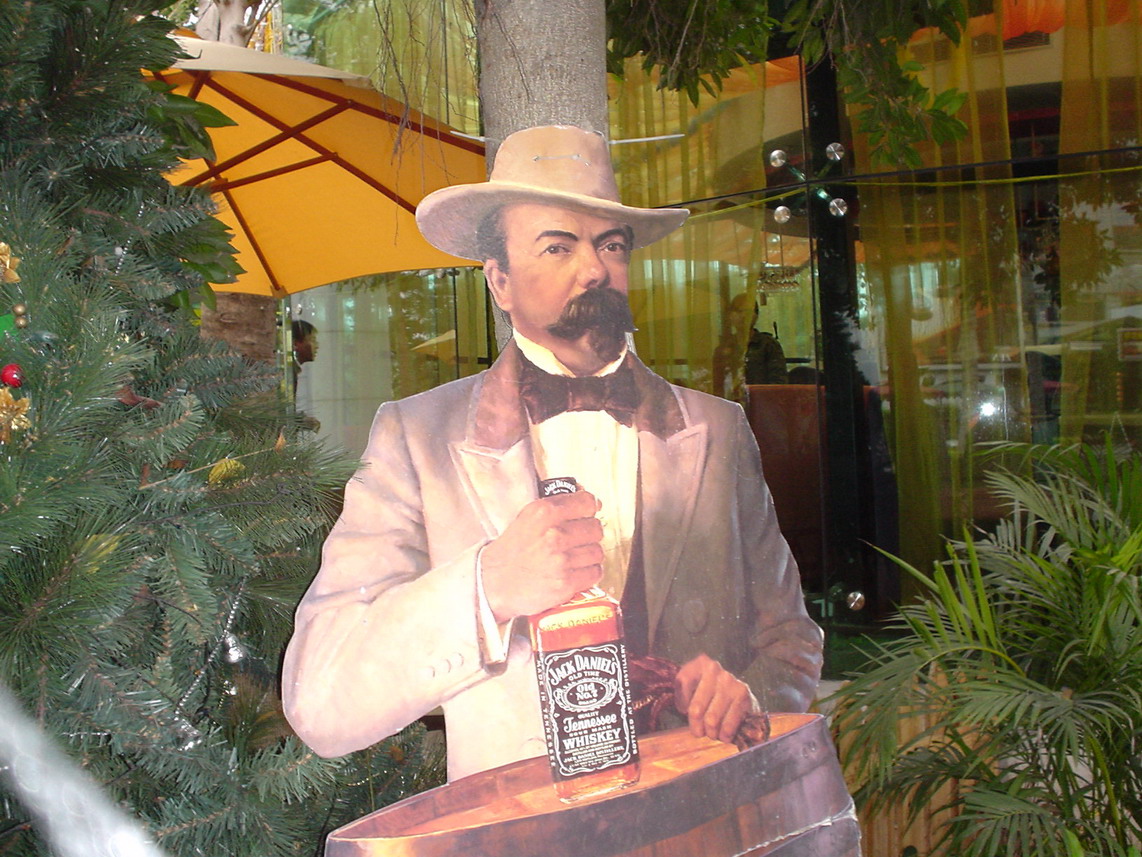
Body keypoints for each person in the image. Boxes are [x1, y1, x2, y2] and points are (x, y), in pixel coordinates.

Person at [281, 126, 823, 782]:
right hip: (526, 825)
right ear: (500, 281)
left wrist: (748, 698)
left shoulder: (718, 429)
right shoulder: (416, 438)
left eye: (610, 245)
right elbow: (320, 701)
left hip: (700, 814)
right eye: (557, 246)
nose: (593, 269)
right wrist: (487, 586)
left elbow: (793, 644)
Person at [290, 319, 318, 392]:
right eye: (312, 340)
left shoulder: (292, 370)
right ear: (296, 343)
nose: (317, 346)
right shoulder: (289, 372)